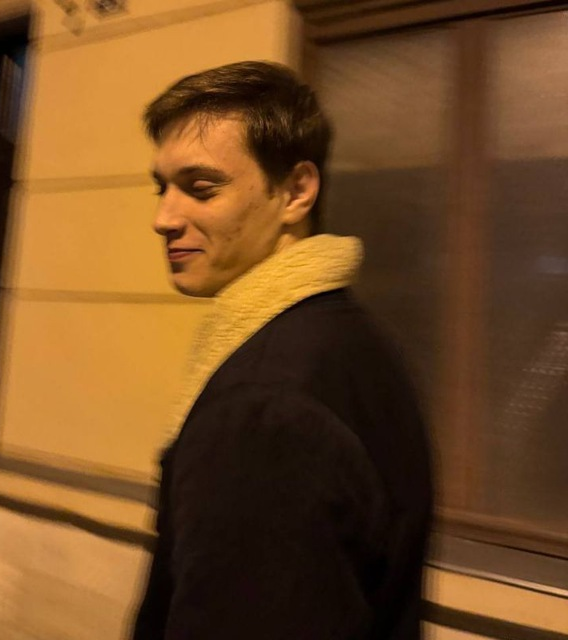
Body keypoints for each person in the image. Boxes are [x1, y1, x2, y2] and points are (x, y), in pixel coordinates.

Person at [133, 60, 432, 640]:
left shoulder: (265, 409)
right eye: (161, 187)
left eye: (201, 188)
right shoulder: (346, 337)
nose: (163, 218)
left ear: (296, 192)